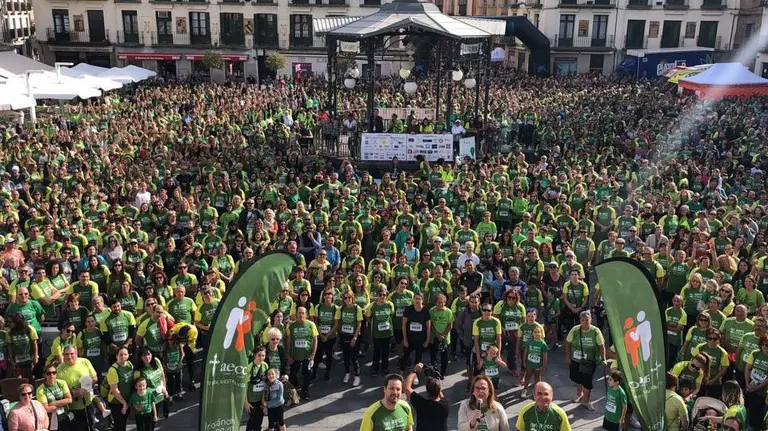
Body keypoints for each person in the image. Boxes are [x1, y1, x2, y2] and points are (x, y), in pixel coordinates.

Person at [565, 310, 606, 412]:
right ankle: (579, 394)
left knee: (587, 382)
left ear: (591, 320)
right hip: (575, 360)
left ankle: (586, 401)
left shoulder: (595, 331)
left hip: (588, 361)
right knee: (577, 378)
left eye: (587, 320)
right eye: (583, 320)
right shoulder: (575, 330)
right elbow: (567, 343)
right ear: (580, 320)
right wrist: (568, 357)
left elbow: (602, 346)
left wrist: (603, 358)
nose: (585, 322)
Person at [56, 345, 98, 428]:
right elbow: (58, 391)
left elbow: (95, 378)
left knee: (91, 426)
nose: (69, 356)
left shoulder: (85, 362)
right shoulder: (58, 370)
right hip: (72, 407)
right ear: (63, 355)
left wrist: (83, 389)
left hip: (87, 403)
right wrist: (73, 393)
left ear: (76, 353)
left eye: (72, 353)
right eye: (66, 354)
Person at [403, 362, 450, 431]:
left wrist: (414, 371)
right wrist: (435, 378)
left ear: (427, 391)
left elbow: (406, 387)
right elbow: (440, 395)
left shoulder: (421, 404)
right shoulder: (445, 404)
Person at [286, 305, 318, 400]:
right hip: (294, 356)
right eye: (299, 313)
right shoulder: (291, 325)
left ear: (306, 315)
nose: (300, 315)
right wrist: (288, 356)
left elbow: (315, 339)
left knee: (307, 374)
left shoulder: (311, 325)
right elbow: (288, 341)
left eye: (302, 313)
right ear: (296, 314)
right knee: (293, 374)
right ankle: (294, 392)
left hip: (307, 356)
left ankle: (305, 391)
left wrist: (313, 354)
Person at [36, 365, 73, 431]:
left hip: (66, 415)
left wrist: (53, 403)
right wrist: (63, 402)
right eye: (48, 373)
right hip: (52, 419)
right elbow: (46, 408)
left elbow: (69, 399)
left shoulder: (62, 383)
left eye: (54, 372)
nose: (51, 375)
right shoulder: (40, 390)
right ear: (44, 375)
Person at [106, 347, 134, 431]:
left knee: (124, 421)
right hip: (117, 401)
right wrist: (124, 403)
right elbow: (114, 390)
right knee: (120, 424)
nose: (123, 357)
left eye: (125, 354)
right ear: (116, 356)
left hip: (127, 398)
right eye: (120, 355)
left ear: (128, 355)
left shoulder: (129, 364)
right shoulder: (113, 370)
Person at [244, 346, 268, 431]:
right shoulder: (249, 367)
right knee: (256, 422)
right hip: (251, 400)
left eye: (263, 355)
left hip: (260, 399)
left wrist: (263, 400)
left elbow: (265, 384)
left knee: (255, 421)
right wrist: (246, 402)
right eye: (259, 355)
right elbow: (244, 386)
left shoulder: (265, 365)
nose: (261, 358)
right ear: (255, 355)